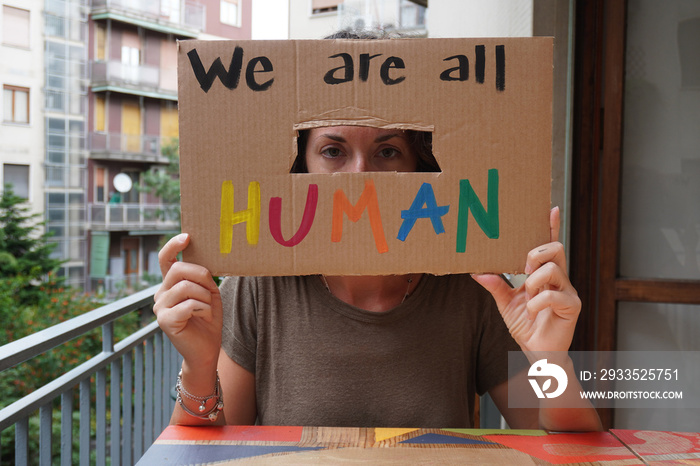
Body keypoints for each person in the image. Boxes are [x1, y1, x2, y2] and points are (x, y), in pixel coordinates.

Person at [154, 124, 602, 431]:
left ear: (418, 170)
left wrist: (551, 361)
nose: (360, 176)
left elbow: (566, 451)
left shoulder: (475, 288)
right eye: (333, 151)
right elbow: (202, 455)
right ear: (301, 168)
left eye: (387, 151)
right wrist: (197, 365)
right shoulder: (260, 287)